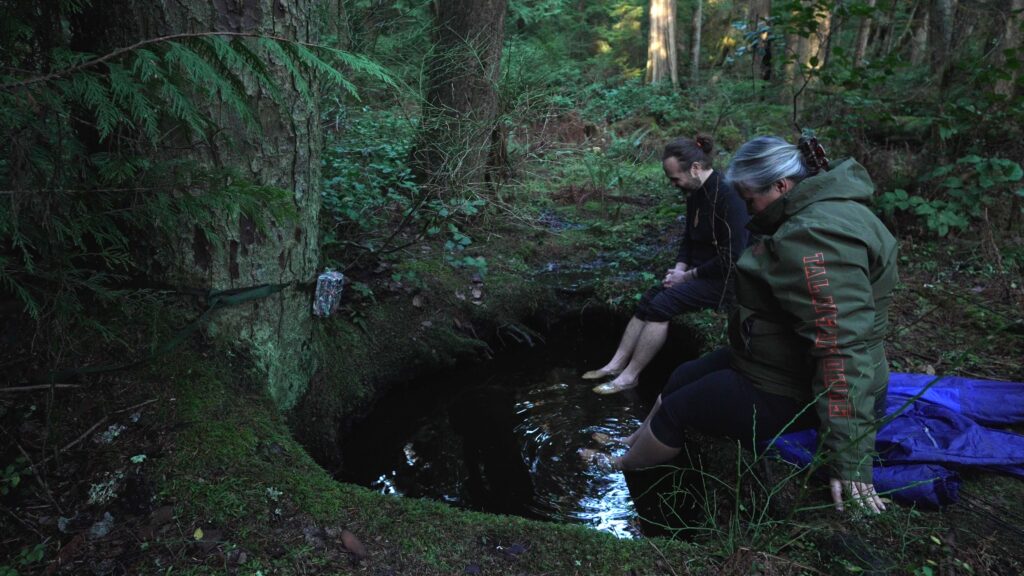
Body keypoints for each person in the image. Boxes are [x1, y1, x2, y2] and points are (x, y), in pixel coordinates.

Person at [581, 135, 899, 514]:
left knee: (679, 408)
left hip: (797, 386)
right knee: (682, 374)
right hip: (776, 359)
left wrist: (849, 457)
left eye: (751, 200)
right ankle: (633, 442)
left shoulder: (817, 238)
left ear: (782, 186)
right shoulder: (816, 211)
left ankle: (620, 465)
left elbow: (842, 348)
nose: (749, 212)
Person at [583, 135, 748, 395]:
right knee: (649, 299)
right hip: (697, 275)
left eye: (674, 178)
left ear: (695, 168)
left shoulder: (729, 196)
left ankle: (630, 377)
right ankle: (614, 365)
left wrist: (688, 276)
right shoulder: (695, 192)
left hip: (725, 280)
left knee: (662, 305)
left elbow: (734, 256)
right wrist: (680, 269)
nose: (674, 184)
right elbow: (688, 239)